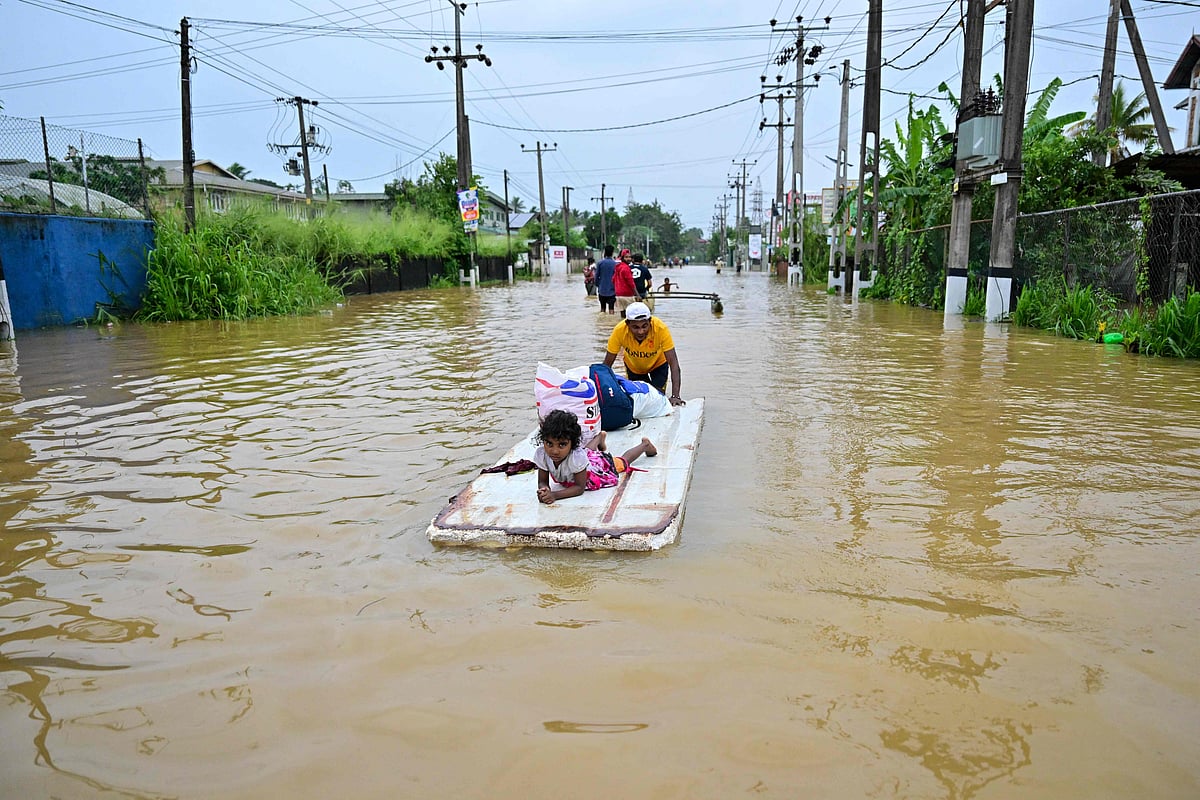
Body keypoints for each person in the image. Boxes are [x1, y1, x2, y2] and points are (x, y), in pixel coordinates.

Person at [534, 409, 657, 505]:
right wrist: (544, 490)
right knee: (587, 452)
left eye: (562, 445)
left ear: (572, 444)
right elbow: (543, 481)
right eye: (549, 443)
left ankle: (644, 445)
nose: (554, 451)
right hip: (583, 458)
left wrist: (554, 495)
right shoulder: (543, 455)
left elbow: (579, 488)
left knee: (622, 462)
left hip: (594, 470)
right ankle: (599, 438)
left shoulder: (576, 457)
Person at [603, 301, 685, 406]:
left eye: (644, 326)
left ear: (650, 321)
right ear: (627, 324)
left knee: (658, 397)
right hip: (634, 368)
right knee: (639, 399)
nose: (641, 331)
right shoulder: (619, 331)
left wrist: (675, 396)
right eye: (636, 327)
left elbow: (674, 365)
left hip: (658, 365)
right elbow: (606, 366)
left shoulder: (661, 329)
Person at [613, 248, 638, 318]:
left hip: (618, 295)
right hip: (627, 295)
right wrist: (637, 294)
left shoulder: (618, 267)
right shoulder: (626, 268)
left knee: (622, 315)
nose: (629, 259)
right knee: (631, 315)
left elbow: (613, 280)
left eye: (630, 257)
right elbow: (631, 282)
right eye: (626, 257)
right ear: (622, 258)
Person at [594, 245, 617, 314]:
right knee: (611, 309)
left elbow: (596, 276)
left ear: (605, 252)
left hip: (602, 290)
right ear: (612, 253)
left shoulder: (600, 263)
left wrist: (598, 285)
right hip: (612, 290)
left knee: (602, 309)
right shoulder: (615, 264)